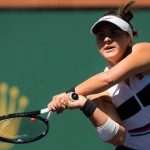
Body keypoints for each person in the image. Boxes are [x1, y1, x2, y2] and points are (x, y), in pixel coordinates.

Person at [48, 0, 150, 149]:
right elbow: (118, 137)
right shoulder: (97, 91)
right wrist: (86, 106)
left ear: (129, 38)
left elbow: (110, 78)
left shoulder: (143, 50)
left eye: (114, 33)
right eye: (101, 36)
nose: (107, 39)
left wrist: (67, 94)